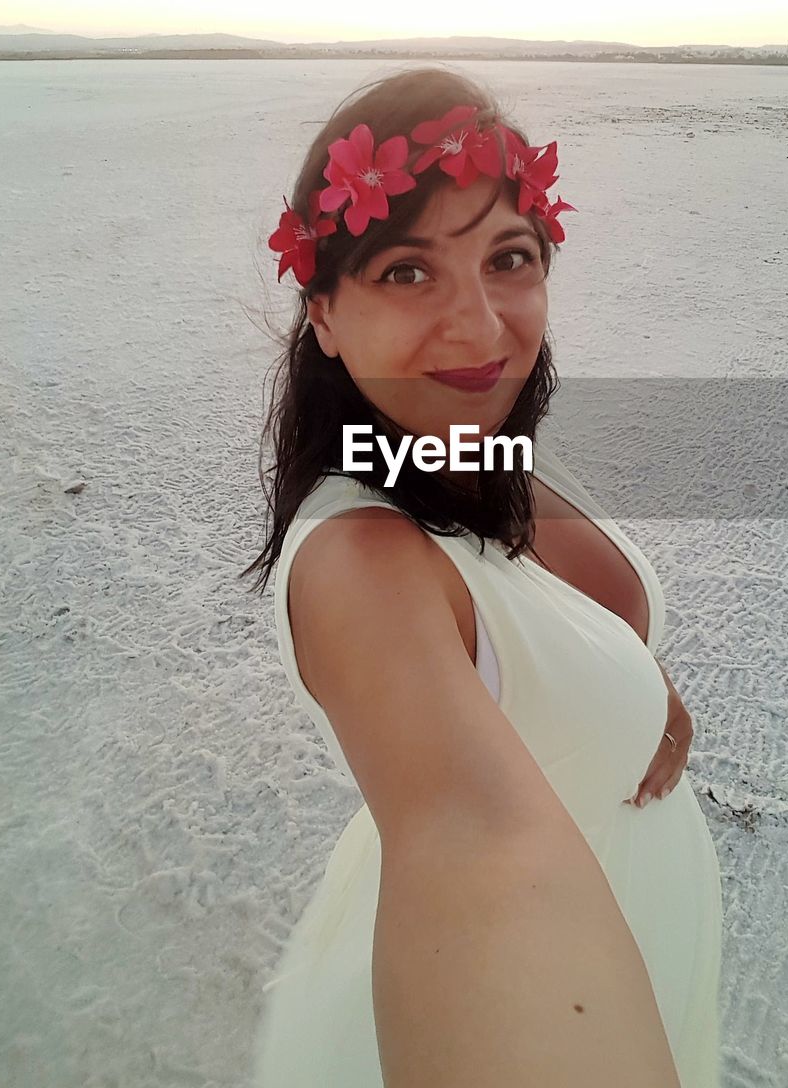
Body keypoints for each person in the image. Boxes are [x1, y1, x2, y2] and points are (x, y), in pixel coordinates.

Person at [243, 66, 723, 1086]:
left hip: (643, 918)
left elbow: (547, 616)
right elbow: (475, 844)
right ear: (323, 313)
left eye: (509, 257)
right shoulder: (361, 564)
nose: (480, 325)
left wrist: (647, 693)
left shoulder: (470, 450)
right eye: (407, 271)